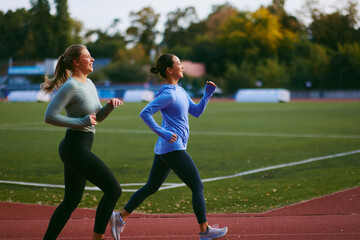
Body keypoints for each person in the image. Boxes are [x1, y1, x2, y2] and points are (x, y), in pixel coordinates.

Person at [110, 54, 228, 240]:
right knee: (197, 186)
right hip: (173, 147)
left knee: (151, 187)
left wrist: (207, 94)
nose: (182, 67)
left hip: (167, 147)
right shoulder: (168, 94)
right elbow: (145, 113)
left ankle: (120, 217)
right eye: (179, 64)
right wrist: (163, 132)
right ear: (169, 70)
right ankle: (205, 230)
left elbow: (196, 112)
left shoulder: (179, 90)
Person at [42, 44, 123, 240]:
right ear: (77, 62)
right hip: (74, 148)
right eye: (88, 56)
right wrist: (80, 122)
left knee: (70, 201)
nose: (93, 59)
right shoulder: (71, 85)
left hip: (81, 146)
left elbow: (97, 118)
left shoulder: (90, 83)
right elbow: (49, 116)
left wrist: (109, 106)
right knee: (113, 190)